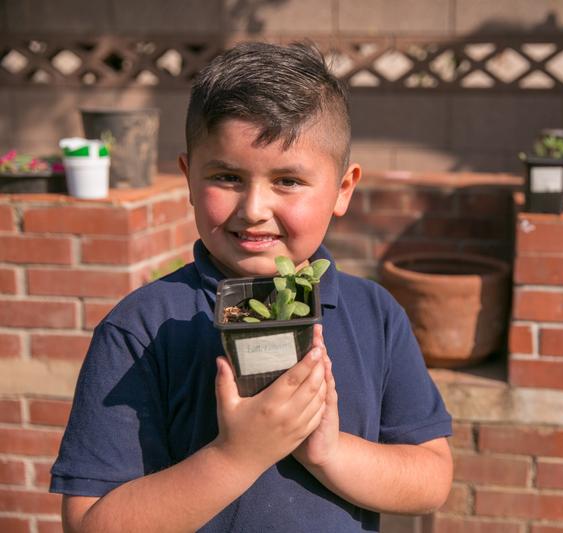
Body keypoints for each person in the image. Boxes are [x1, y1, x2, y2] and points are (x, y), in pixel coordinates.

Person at [50, 42, 453, 532]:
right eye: (227, 177)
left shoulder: (375, 312)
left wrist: (326, 450)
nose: (254, 207)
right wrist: (236, 456)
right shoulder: (143, 327)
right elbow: (88, 522)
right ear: (188, 178)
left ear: (343, 190)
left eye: (287, 181)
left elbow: (431, 479)